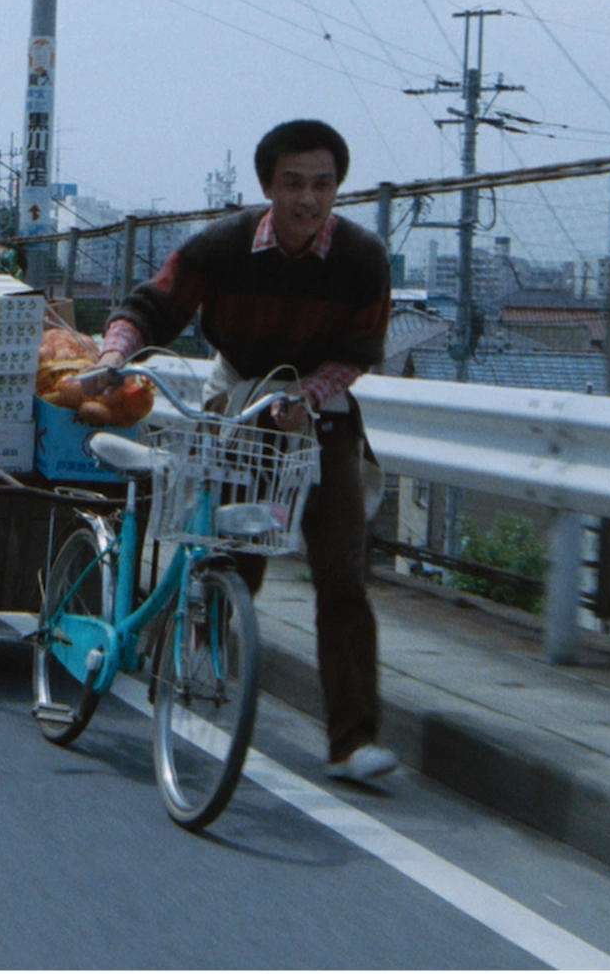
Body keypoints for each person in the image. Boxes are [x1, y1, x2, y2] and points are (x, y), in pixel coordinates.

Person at [96, 119, 397, 783]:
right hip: (237, 394)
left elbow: (360, 350)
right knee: (232, 554)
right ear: (268, 186)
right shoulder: (224, 246)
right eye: (293, 183)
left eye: (323, 185)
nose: (308, 200)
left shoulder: (363, 258)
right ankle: (190, 665)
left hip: (320, 409)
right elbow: (153, 304)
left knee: (343, 573)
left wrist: (310, 398)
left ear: (338, 188)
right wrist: (115, 352)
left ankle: (353, 741)